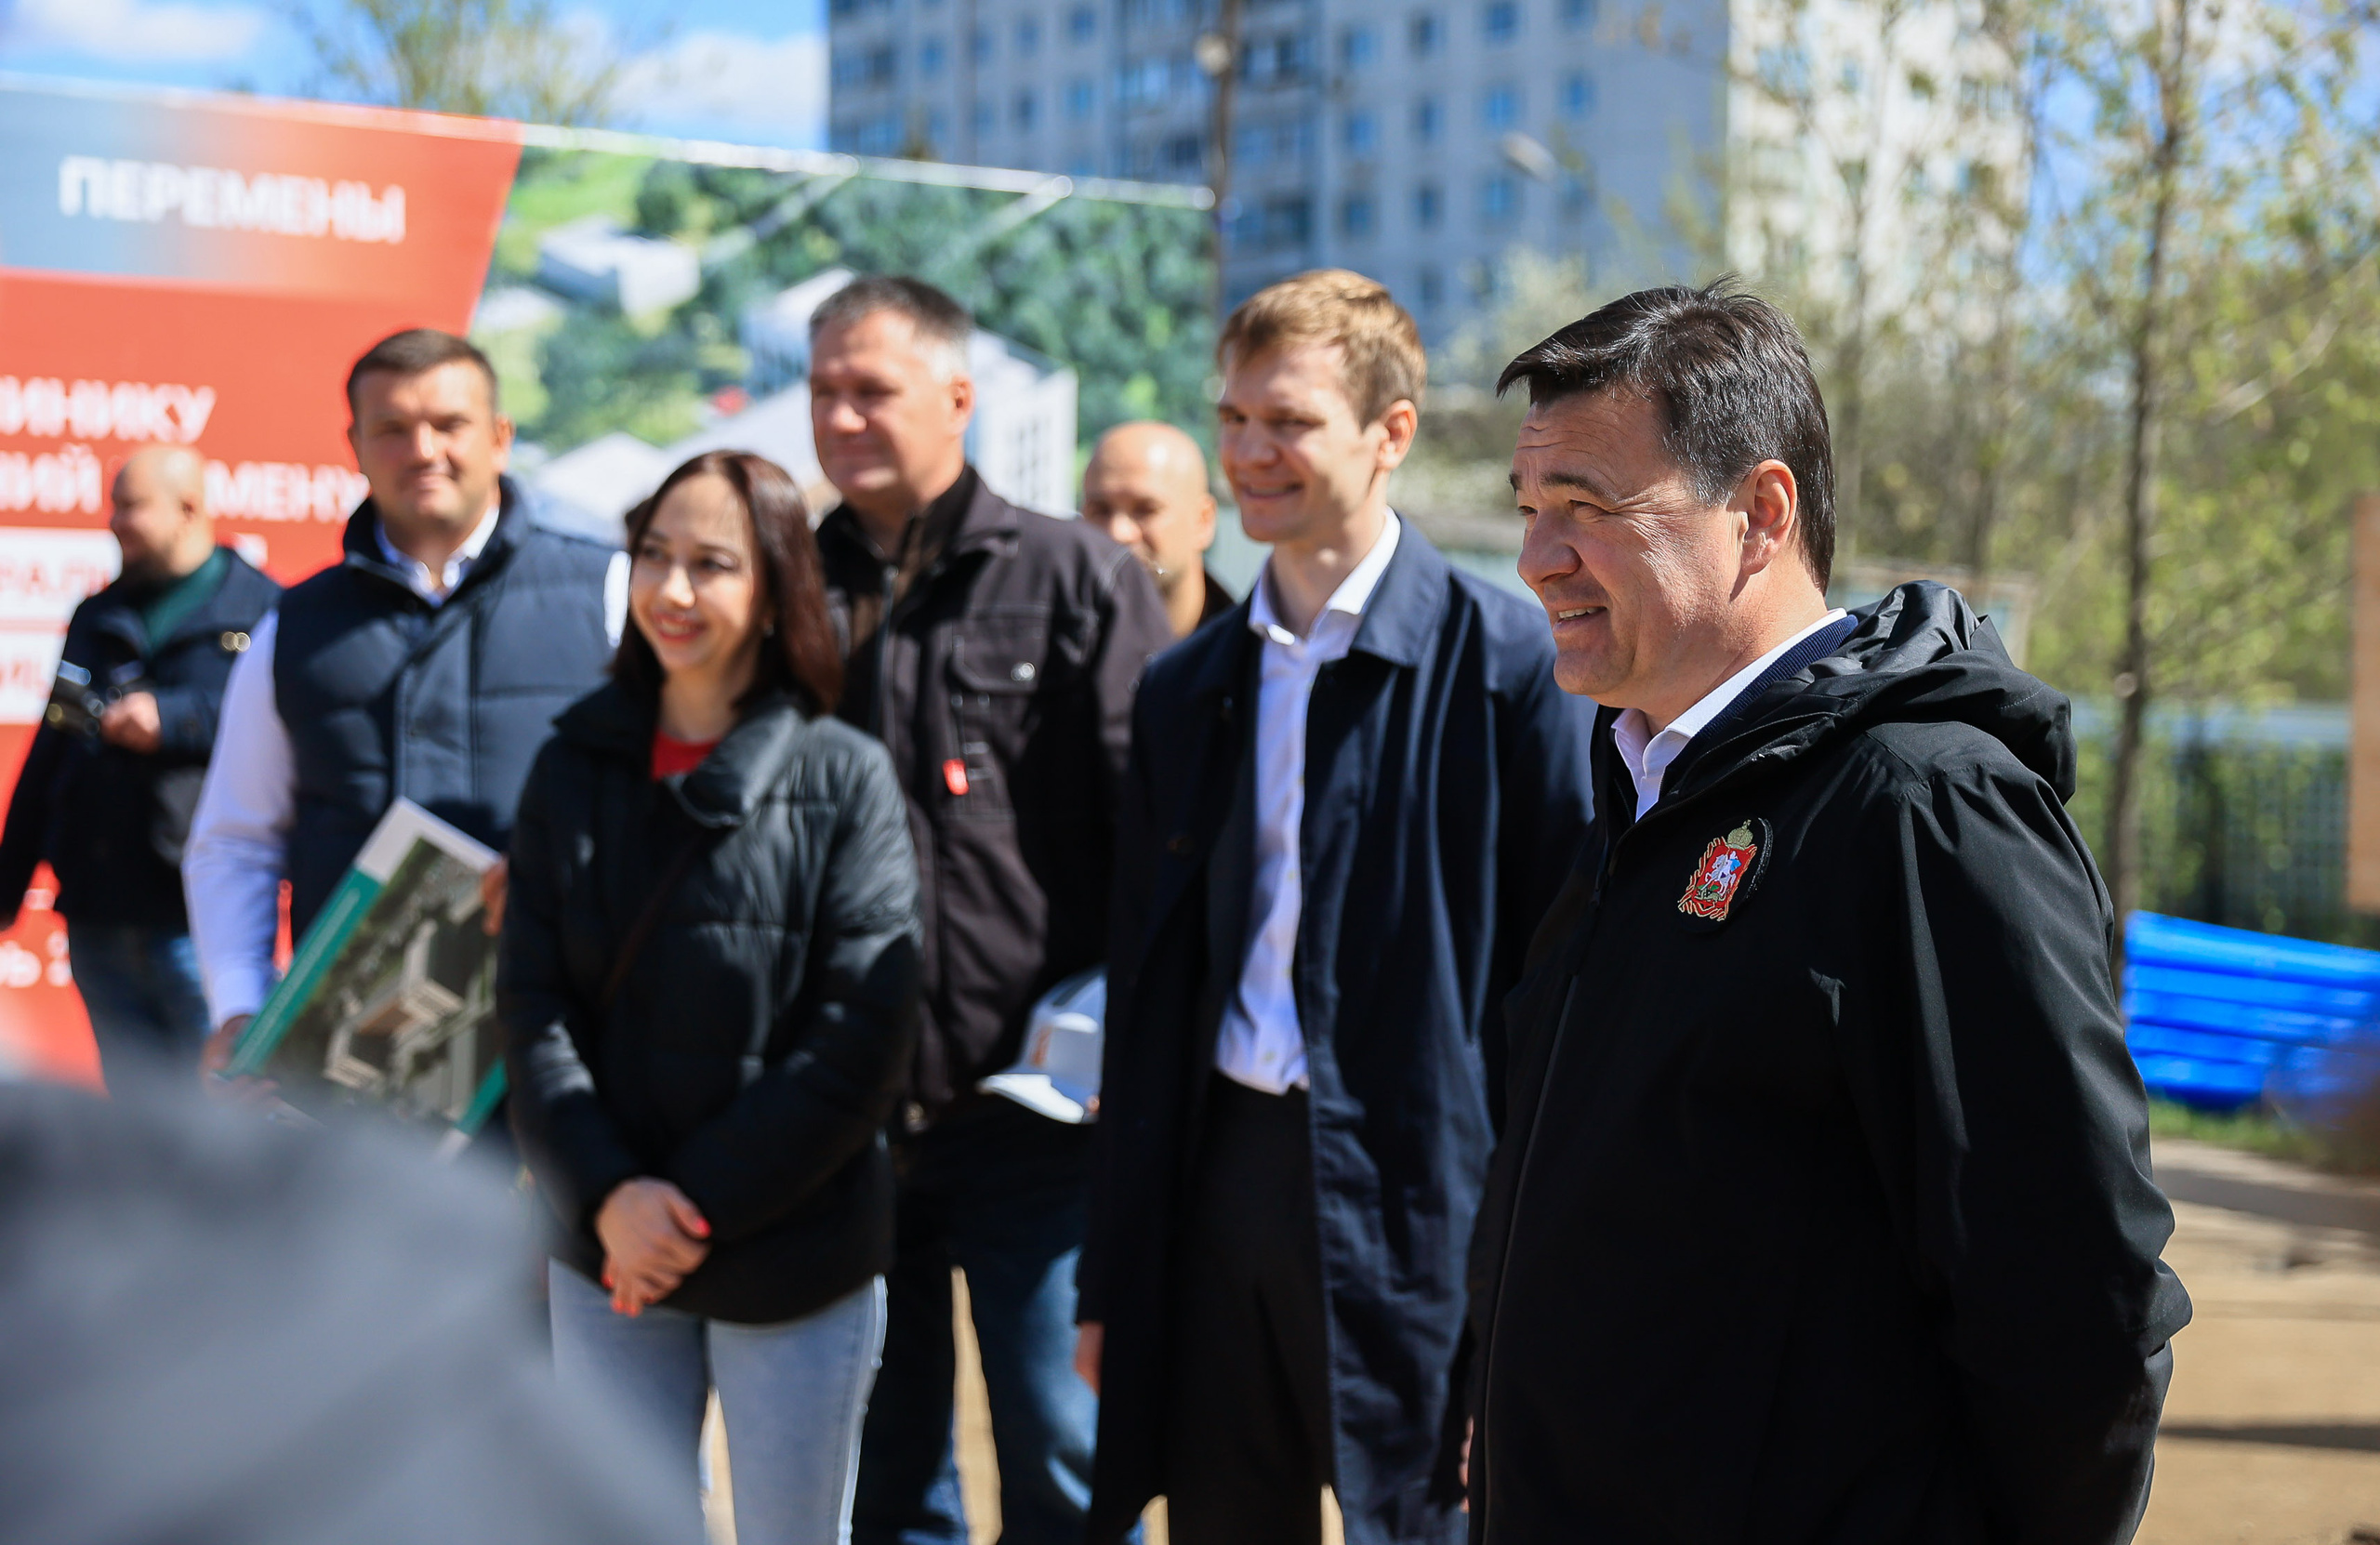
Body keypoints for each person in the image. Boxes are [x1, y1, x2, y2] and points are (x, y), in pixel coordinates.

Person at [1466, 281, 2192, 1540]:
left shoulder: (1921, 807)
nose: (1538, 559)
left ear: (1761, 510)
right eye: (1530, 511)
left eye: (1588, 510)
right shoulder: (1643, 791)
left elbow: (2078, 1297)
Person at [1078, 271, 1598, 1545]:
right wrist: (1115, 1269)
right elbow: (1145, 992)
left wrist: (1527, 1298)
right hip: (1219, 1184)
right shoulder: (1185, 686)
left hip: (1425, 1200)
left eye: (1291, 420)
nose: (1252, 452)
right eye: (1236, 418)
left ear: (1392, 432)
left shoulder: (1510, 666)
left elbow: (1566, 998)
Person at [805, 275, 1173, 1545]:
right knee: (888, 1473)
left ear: (958, 398)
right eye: (823, 392)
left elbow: (1159, 847)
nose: (842, 416)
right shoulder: (791, 593)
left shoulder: (1076, 580)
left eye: (873, 389)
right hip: (845, 1120)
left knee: (1062, 1456)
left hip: (1043, 1126)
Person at [502, 450, 921, 1545]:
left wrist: (684, 1208)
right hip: (605, 1246)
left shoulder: (843, 774)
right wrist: (610, 1198)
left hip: (792, 1251)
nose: (673, 592)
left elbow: (861, 1037)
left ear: (777, 589)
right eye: (654, 556)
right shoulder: (571, 764)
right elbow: (533, 1009)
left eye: (712, 564)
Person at [185, 329, 625, 1075]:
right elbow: (236, 839)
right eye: (392, 430)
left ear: (500, 438)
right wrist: (241, 1006)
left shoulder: (610, 594)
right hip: (363, 1058)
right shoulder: (292, 628)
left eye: (449, 425)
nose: (422, 451)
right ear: (354, 446)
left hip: (573, 1034)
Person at [0, 445, 279, 1083]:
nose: (116, 521)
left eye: (132, 506)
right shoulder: (98, 616)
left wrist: (176, 719)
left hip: (199, 924)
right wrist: (7, 884)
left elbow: (287, 739)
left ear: (188, 510)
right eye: (114, 505)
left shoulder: (264, 614)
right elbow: (54, 748)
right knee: (140, 1129)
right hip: (99, 915)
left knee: (226, 1117)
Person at [1080, 422, 1231, 639]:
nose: (1118, 533)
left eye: (1145, 510)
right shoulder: (1048, 649)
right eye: (1100, 511)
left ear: (1203, 521)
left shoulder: (1254, 661)